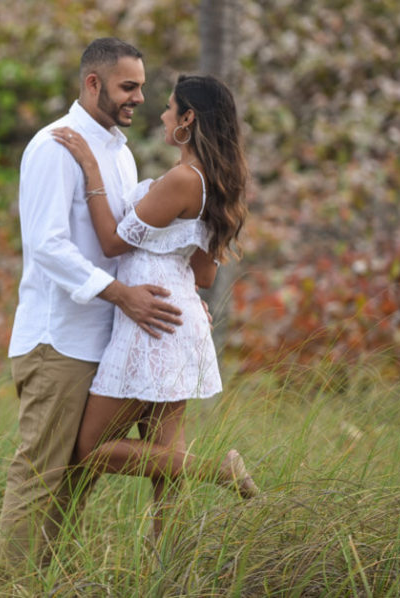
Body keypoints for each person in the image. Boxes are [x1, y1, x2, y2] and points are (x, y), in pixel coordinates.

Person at [0, 38, 185, 567]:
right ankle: (15, 584)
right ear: (93, 83)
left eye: (143, 88)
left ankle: (44, 579)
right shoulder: (54, 145)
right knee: (40, 472)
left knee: (79, 476)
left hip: (107, 339)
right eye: (129, 87)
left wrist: (184, 300)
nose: (140, 99)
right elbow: (46, 245)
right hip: (58, 339)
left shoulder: (119, 152)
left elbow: (124, 240)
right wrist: (122, 295)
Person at [50, 73, 258, 539]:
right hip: (175, 316)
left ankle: (220, 471)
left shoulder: (183, 179)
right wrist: (186, 296)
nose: (161, 115)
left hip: (151, 323)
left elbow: (110, 242)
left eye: (169, 108)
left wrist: (90, 168)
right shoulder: (215, 182)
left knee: (91, 449)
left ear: (187, 119)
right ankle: (165, 574)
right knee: (166, 467)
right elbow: (203, 275)